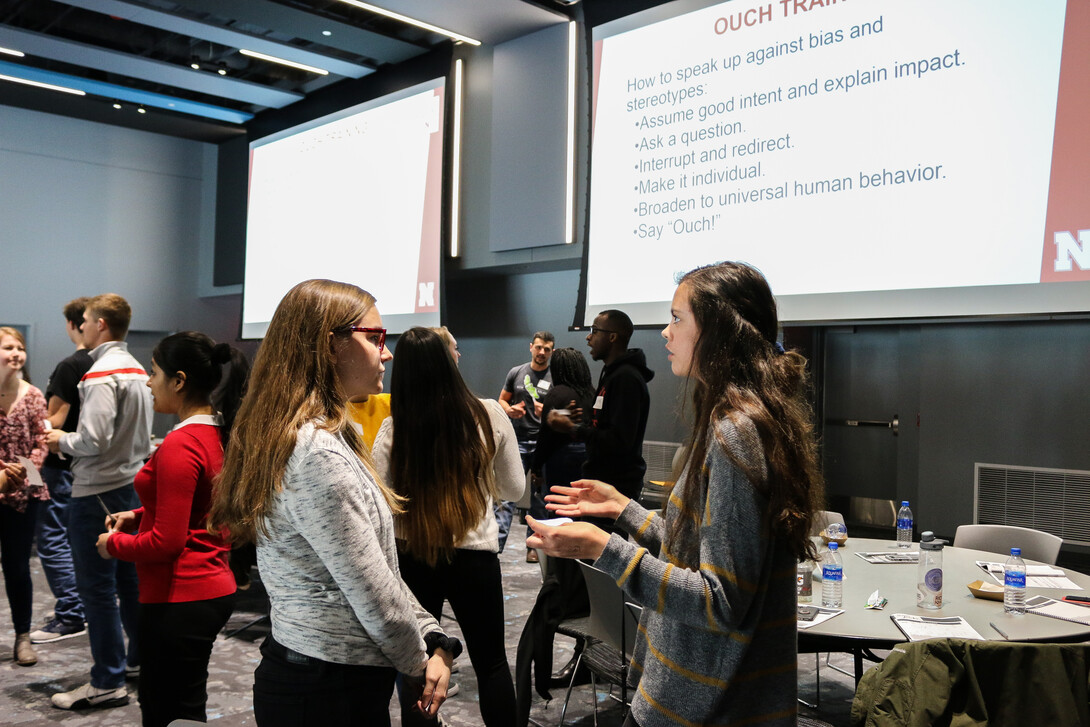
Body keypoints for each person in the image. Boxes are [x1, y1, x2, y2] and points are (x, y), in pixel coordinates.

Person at [528, 262, 824, 727]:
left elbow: (720, 599)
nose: (665, 333)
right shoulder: (741, 419)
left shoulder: (736, 433)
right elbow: (702, 551)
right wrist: (625, 509)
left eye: (677, 318)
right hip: (695, 694)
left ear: (719, 330)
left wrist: (605, 548)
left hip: (703, 705)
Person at [207, 279, 458, 727]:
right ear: (330, 346)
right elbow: (374, 596)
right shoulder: (317, 453)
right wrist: (424, 662)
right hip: (325, 690)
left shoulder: (325, 437)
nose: (387, 352)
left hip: (328, 677)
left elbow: (381, 571)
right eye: (375, 337)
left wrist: (434, 637)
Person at [94, 331, 249, 727]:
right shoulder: (214, 432)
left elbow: (167, 543)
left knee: (167, 711)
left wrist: (114, 545)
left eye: (153, 373)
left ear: (178, 381)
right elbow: (196, 511)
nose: (148, 382)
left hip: (181, 595)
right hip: (205, 589)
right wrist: (141, 515)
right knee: (182, 705)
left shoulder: (182, 443)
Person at [372, 327, 523, 727]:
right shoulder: (489, 413)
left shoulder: (393, 429)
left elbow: (379, 504)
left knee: (417, 664)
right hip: (475, 558)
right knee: (491, 663)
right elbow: (515, 488)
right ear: (448, 361)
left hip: (412, 557)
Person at [46, 293, 153, 710]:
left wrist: (59, 440)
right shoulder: (138, 369)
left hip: (97, 491)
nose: (82, 328)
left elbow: (91, 440)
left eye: (86, 321)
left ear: (102, 325)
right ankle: (135, 663)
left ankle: (107, 680)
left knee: (96, 590)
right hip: (128, 485)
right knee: (128, 584)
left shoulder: (99, 374)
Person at [31, 298, 92, 645]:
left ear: (73, 325)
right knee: (80, 541)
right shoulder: (110, 363)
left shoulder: (70, 366)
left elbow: (53, 422)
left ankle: (70, 614)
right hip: (93, 467)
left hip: (63, 466)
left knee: (53, 540)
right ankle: (80, 608)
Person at [549, 311, 653, 503]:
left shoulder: (626, 378)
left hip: (615, 486)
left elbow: (618, 441)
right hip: (602, 479)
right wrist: (575, 422)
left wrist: (573, 428)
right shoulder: (612, 374)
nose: (588, 337)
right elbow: (604, 426)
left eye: (594, 331)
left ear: (612, 337)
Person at [0, 326, 50, 666]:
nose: (16, 353)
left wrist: (20, 475)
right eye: (8, 347)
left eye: (20, 347)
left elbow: (41, 443)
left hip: (24, 493)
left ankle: (22, 637)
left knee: (17, 567)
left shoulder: (33, 395)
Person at [498, 331, 554, 557]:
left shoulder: (555, 376)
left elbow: (565, 410)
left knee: (540, 500)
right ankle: (496, 547)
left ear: (552, 352)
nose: (542, 352)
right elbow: (502, 399)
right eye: (538, 347)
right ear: (531, 347)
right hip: (517, 443)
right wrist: (509, 410)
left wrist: (548, 411)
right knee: (506, 496)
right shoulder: (516, 372)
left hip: (543, 445)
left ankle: (533, 548)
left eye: (547, 349)